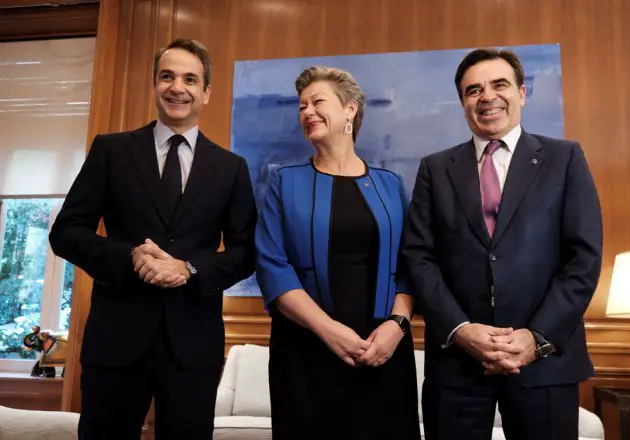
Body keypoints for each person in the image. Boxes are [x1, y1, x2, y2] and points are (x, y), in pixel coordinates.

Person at [49, 38, 256, 440]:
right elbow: (66, 232)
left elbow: (246, 251)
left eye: (190, 79)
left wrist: (189, 268)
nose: (177, 87)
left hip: (193, 344)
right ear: (155, 84)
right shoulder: (111, 151)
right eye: (167, 76)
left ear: (206, 92)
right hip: (116, 340)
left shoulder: (231, 167)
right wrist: (130, 258)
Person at [401, 48, 603, 440]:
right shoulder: (436, 169)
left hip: (544, 363)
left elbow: (583, 258)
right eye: (473, 90)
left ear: (522, 93)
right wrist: (460, 329)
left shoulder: (564, 158)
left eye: (499, 85)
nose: (486, 96)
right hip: (457, 364)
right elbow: (419, 257)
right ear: (463, 103)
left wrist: (535, 338)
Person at [255, 66, 420, 440]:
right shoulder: (284, 181)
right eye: (301, 107)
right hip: (305, 351)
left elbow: (412, 265)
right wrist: (329, 331)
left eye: (317, 102)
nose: (307, 112)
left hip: (384, 349)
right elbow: (272, 267)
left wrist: (397, 326)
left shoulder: (390, 184)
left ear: (350, 110)